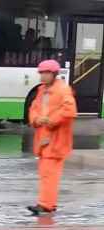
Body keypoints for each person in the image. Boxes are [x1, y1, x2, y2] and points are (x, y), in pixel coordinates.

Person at [28, 59, 77, 215]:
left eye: (46, 73)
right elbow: (33, 109)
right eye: (41, 73)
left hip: (56, 139)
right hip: (44, 139)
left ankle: (46, 205)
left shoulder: (63, 90)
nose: (42, 76)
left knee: (49, 173)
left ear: (54, 74)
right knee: (45, 173)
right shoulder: (42, 90)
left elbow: (69, 111)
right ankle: (47, 203)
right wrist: (36, 119)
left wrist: (50, 120)